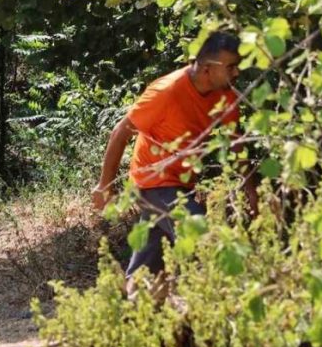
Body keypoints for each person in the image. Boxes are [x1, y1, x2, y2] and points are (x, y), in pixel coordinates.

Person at [87, 31, 257, 295]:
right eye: (231, 67)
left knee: (146, 274)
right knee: (201, 232)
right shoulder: (166, 91)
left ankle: (129, 308)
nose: (237, 73)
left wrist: (252, 193)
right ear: (207, 69)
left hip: (182, 184)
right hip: (152, 181)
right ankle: (226, 302)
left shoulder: (225, 94)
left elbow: (236, 144)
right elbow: (120, 132)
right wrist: (104, 186)